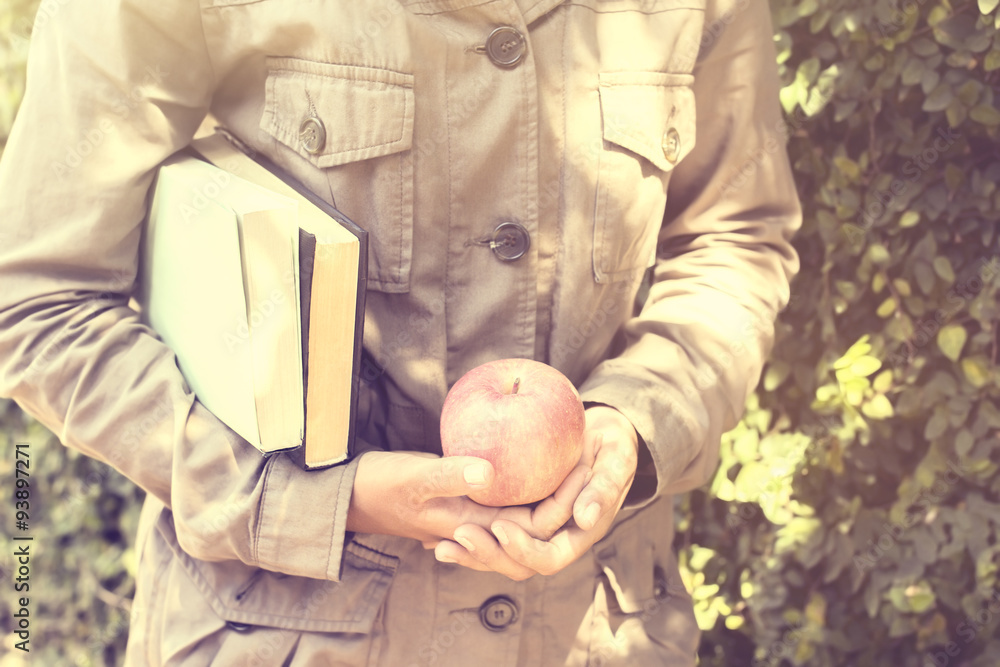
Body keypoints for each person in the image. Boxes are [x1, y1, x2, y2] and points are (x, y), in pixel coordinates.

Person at [0, 0, 800, 664]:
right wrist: (321, 500)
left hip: (596, 627)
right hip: (279, 631)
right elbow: (39, 299)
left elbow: (735, 237)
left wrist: (637, 418)